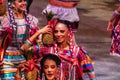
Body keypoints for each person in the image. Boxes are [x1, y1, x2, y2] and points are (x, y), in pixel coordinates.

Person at [21, 19, 96, 80]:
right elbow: (23, 49)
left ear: (69, 32)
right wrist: (38, 32)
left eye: (62, 31)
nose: (58, 34)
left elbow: (90, 74)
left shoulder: (78, 52)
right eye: (56, 32)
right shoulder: (47, 49)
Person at [0, 0, 51, 79]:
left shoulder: (31, 20)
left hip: (24, 61)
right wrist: (38, 32)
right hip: (8, 62)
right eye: (20, 1)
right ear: (13, 4)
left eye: (24, 1)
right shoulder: (5, 19)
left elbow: (37, 42)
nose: (24, 3)